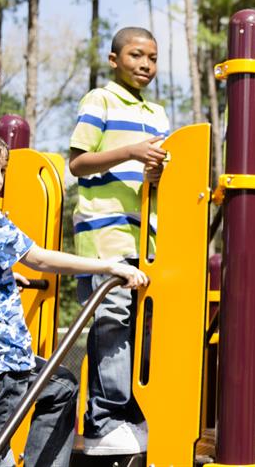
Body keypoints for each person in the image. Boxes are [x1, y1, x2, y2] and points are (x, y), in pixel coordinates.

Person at [0, 124, 149, 466]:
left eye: (2, 171)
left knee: (60, 387)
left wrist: (2, 276)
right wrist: (108, 267)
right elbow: (37, 257)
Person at [68, 26, 170, 455]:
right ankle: (102, 419)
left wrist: (155, 172)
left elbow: (156, 175)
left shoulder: (159, 114)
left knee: (142, 327)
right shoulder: (100, 100)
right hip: (104, 230)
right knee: (112, 321)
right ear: (114, 60)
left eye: (151, 57)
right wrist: (130, 152)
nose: (144, 65)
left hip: (145, 233)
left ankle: (130, 412)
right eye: (135, 55)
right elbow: (78, 163)